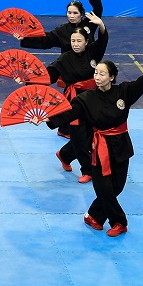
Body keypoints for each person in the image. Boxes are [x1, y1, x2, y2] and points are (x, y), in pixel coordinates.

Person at [45, 48, 143, 237]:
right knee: (103, 187)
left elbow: (141, 84)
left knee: (117, 187)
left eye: (102, 74)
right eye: (96, 73)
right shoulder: (86, 98)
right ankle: (119, 222)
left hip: (121, 146)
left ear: (112, 77)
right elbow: (69, 113)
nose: (97, 77)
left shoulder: (124, 92)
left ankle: (94, 216)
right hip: (100, 148)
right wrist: (47, 119)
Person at [38, 13, 108, 179]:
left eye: (79, 41)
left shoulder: (93, 53)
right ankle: (87, 170)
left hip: (93, 99)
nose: (75, 44)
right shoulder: (64, 59)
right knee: (78, 136)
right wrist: (27, 80)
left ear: (86, 42)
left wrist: (101, 25)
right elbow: (48, 76)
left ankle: (65, 155)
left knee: (91, 133)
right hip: (74, 103)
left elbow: (103, 40)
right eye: (73, 41)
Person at [17, 0, 103, 53]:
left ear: (81, 14)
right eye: (69, 13)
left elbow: (98, 10)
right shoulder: (61, 30)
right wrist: (25, 37)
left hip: (88, 63)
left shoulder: (89, 24)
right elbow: (45, 40)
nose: (71, 16)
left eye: (75, 13)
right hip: (68, 65)